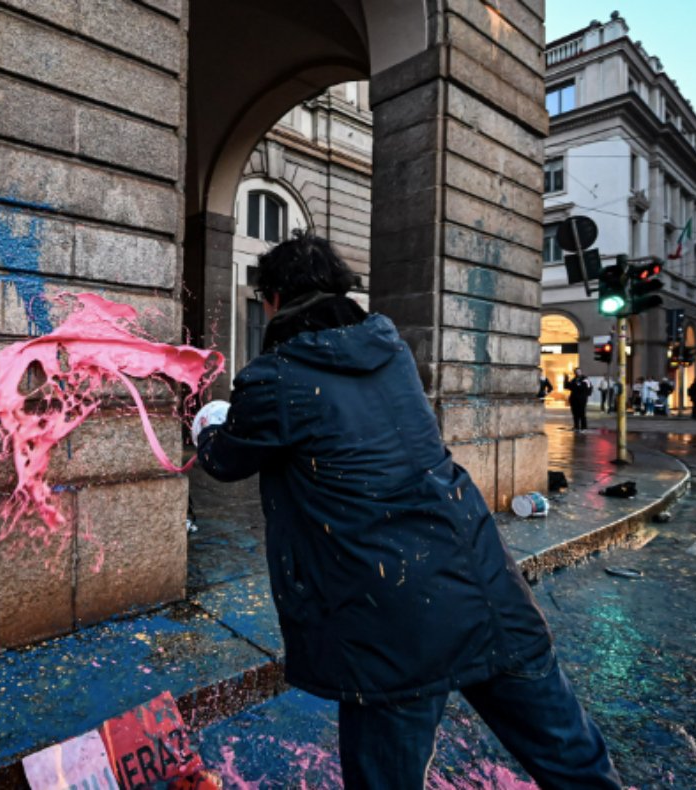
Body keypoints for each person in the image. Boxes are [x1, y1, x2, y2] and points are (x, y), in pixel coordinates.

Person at [194, 233, 620, 789]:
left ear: (273, 298)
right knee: (577, 767)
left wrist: (209, 422)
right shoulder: (392, 352)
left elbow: (225, 460)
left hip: (388, 622)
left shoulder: (275, 378)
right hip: (488, 590)